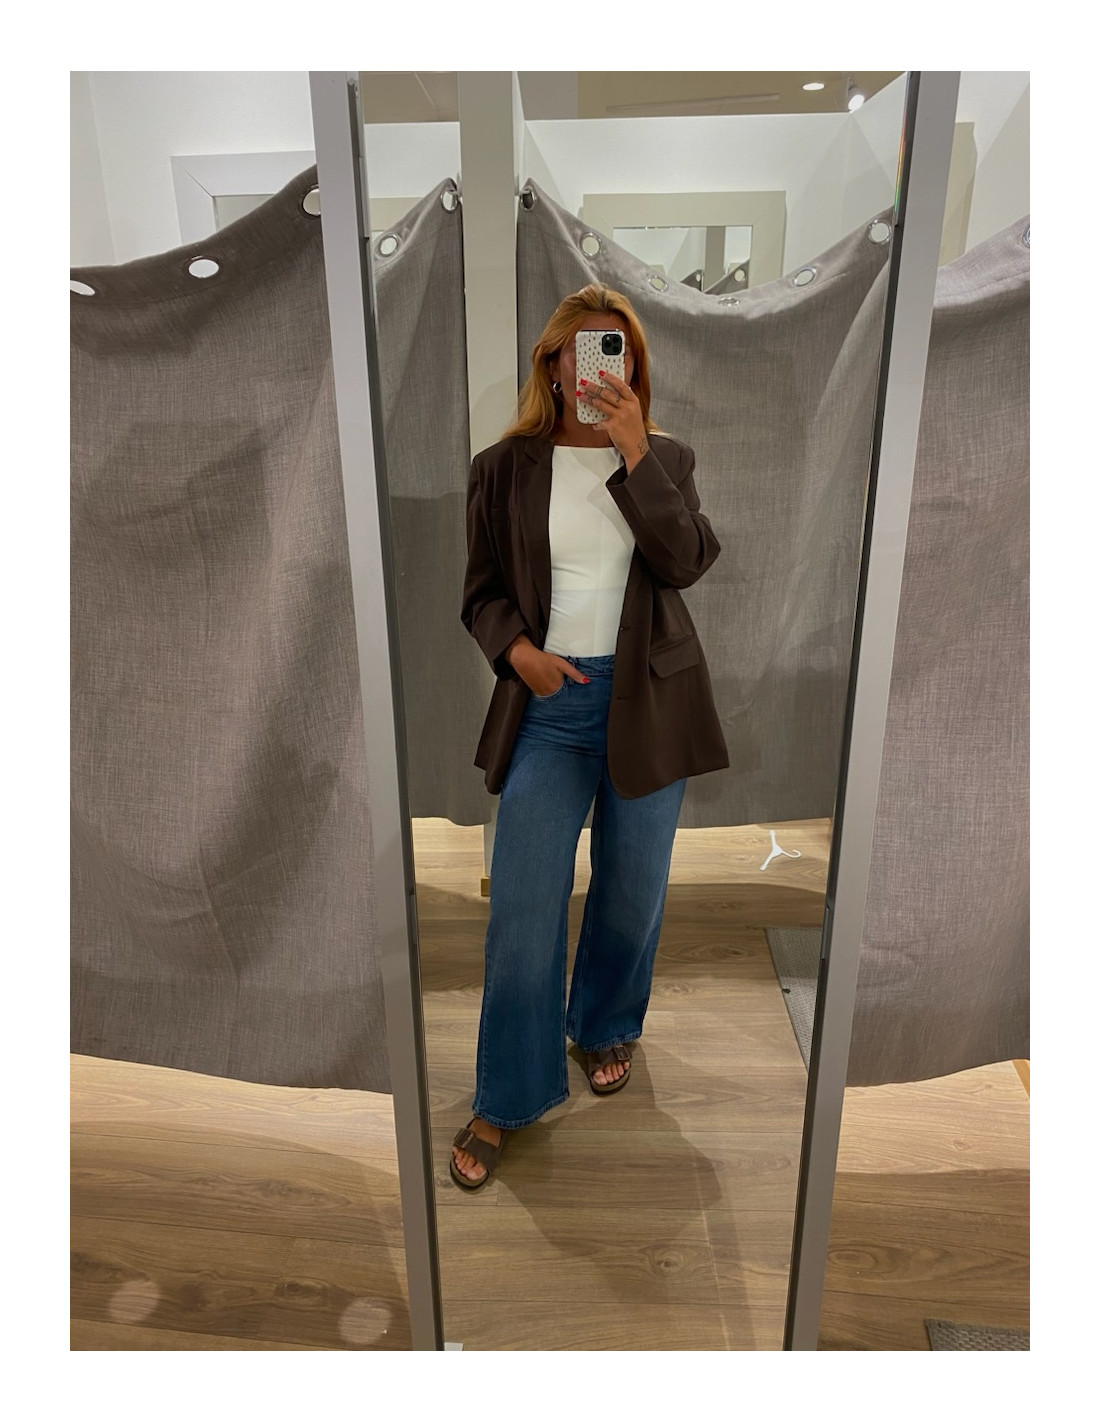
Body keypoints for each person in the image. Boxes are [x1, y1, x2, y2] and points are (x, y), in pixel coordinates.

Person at [452, 283, 729, 1188]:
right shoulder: (503, 467)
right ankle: (507, 1093)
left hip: (650, 701)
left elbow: (684, 562)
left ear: (634, 368)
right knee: (524, 905)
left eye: (617, 352)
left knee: (632, 890)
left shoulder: (666, 457)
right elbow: (482, 593)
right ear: (553, 363)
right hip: (553, 707)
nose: (598, 367)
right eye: (582, 350)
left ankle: (604, 1025)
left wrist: (635, 452)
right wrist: (520, 654)